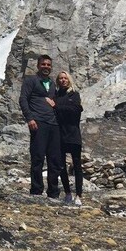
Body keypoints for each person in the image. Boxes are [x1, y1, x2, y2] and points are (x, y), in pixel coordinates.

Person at [19, 54, 63, 199]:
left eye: (48, 65)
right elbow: (23, 99)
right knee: (38, 157)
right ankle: (36, 190)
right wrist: (29, 118)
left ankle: (53, 192)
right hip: (38, 122)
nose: (46, 67)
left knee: (54, 159)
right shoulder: (31, 80)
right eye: (43, 64)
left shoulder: (51, 83)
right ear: (38, 66)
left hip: (54, 124)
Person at [53, 70, 84, 206]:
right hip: (60, 134)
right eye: (60, 78)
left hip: (73, 133)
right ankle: (67, 193)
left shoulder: (74, 94)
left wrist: (57, 106)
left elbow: (76, 110)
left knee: (77, 165)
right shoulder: (56, 95)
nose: (63, 80)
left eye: (65, 78)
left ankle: (78, 195)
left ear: (69, 80)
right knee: (61, 166)